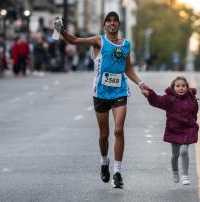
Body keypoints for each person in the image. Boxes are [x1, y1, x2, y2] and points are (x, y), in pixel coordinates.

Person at [54, 11, 149, 188]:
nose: (112, 24)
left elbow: (128, 69)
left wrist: (141, 84)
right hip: (101, 93)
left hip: (120, 91)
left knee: (119, 130)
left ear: (118, 25)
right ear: (105, 25)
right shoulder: (99, 41)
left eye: (115, 21)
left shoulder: (126, 45)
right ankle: (104, 161)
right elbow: (74, 40)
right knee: (104, 134)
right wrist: (61, 29)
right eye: (109, 21)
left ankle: (117, 172)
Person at [146, 76, 199, 185]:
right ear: (173, 88)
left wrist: (192, 123)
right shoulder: (169, 99)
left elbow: (194, 113)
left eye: (183, 86)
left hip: (187, 128)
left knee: (184, 151)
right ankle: (175, 171)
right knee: (175, 155)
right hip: (174, 129)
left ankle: (185, 175)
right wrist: (149, 93)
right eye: (178, 86)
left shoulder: (192, 100)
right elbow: (156, 100)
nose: (181, 88)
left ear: (187, 88)